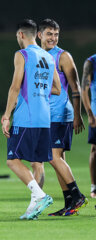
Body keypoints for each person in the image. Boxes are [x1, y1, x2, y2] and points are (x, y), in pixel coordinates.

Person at [1, 19, 61, 220]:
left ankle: (40, 195)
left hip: (27, 117)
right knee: (38, 163)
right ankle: (34, 208)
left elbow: (15, 87)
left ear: (20, 35)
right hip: (45, 117)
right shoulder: (48, 56)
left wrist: (7, 115)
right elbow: (57, 89)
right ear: (36, 34)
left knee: (12, 160)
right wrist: (39, 90)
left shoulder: (22, 55)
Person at [35, 19, 87, 216]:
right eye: (49, 34)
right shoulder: (38, 55)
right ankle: (69, 204)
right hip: (46, 114)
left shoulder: (63, 56)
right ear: (39, 35)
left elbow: (75, 87)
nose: (53, 38)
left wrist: (78, 115)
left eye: (56, 34)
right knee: (58, 159)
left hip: (59, 113)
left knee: (53, 157)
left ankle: (77, 195)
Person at [81, 53, 96, 199]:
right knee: (95, 150)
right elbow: (84, 90)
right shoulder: (91, 62)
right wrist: (90, 113)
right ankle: (94, 186)